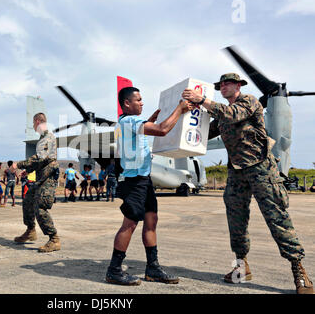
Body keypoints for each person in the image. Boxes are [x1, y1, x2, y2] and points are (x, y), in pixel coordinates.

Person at [182, 73, 313, 294]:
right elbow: (202, 131)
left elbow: (233, 114)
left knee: (276, 217)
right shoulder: (220, 115)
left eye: (228, 83)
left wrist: (201, 100)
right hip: (236, 172)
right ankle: (241, 267)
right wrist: (183, 115)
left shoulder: (248, 102)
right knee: (236, 220)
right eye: (220, 85)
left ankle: (298, 269)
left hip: (261, 168)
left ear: (239, 86)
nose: (223, 87)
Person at [105, 86, 191, 286]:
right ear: (127, 103)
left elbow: (142, 133)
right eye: (139, 100)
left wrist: (149, 120)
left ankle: (152, 268)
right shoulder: (130, 121)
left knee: (151, 220)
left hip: (143, 179)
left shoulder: (126, 123)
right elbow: (162, 130)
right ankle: (114, 270)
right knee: (130, 223)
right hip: (134, 180)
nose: (142, 103)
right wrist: (180, 108)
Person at [14, 112, 60, 253]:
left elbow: (40, 158)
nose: (33, 126)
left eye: (34, 123)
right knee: (28, 201)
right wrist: (28, 171)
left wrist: (20, 164)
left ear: (38, 121)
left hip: (48, 177)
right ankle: (30, 231)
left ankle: (54, 239)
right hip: (41, 176)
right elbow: (41, 161)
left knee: (40, 207)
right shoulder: (43, 138)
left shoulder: (48, 137)